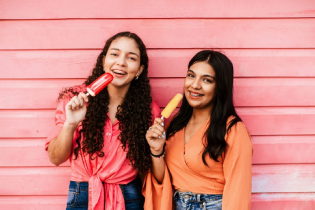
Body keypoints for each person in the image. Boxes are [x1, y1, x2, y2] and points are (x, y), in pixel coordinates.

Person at [45, 31, 160, 210]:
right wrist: (71, 124)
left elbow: (150, 171)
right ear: (104, 60)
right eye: (114, 54)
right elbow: (55, 158)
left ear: (139, 69)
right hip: (83, 193)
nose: (121, 62)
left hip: (128, 196)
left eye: (131, 58)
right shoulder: (75, 99)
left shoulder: (149, 110)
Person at [144, 50, 253, 210]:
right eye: (191, 75)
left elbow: (238, 191)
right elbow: (163, 180)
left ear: (220, 88)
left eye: (207, 80)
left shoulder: (233, 129)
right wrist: (156, 150)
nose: (195, 85)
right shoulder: (175, 124)